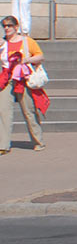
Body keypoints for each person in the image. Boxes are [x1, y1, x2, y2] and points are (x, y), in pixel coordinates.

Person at [1, 14, 46, 153]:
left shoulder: (27, 42)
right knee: (3, 111)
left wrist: (27, 60)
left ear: (16, 27)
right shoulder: (3, 43)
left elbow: (40, 56)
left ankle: (38, 141)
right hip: (6, 79)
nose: (7, 28)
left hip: (23, 80)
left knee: (29, 111)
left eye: (9, 25)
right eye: (4, 26)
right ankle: (3, 145)